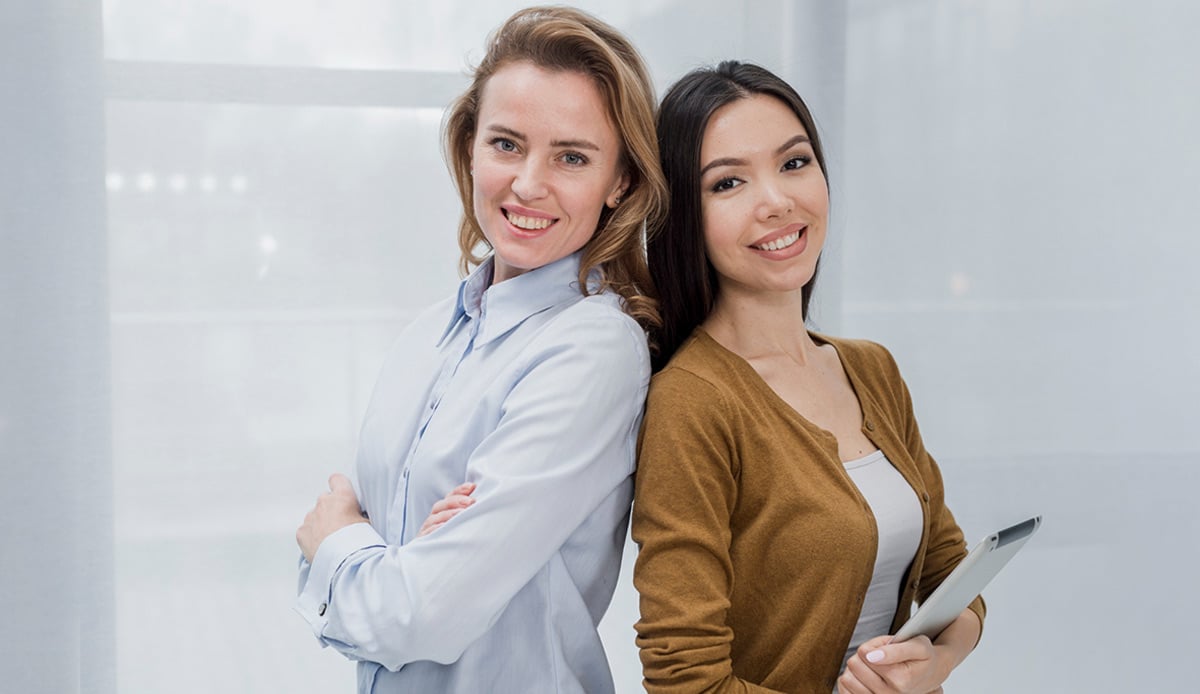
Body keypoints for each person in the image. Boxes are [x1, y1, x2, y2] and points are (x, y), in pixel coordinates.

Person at [293, 7, 667, 693]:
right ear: (470, 147)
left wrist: (341, 545)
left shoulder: (593, 348)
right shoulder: (429, 336)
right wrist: (381, 564)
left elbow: (413, 614)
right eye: (506, 144)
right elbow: (389, 595)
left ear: (620, 182)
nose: (528, 184)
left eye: (572, 156)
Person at [631, 61, 986, 694]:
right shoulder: (692, 403)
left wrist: (935, 663)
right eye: (729, 182)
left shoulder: (871, 369)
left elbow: (950, 571)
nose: (777, 201)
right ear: (685, 213)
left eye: (794, 163)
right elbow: (684, 679)